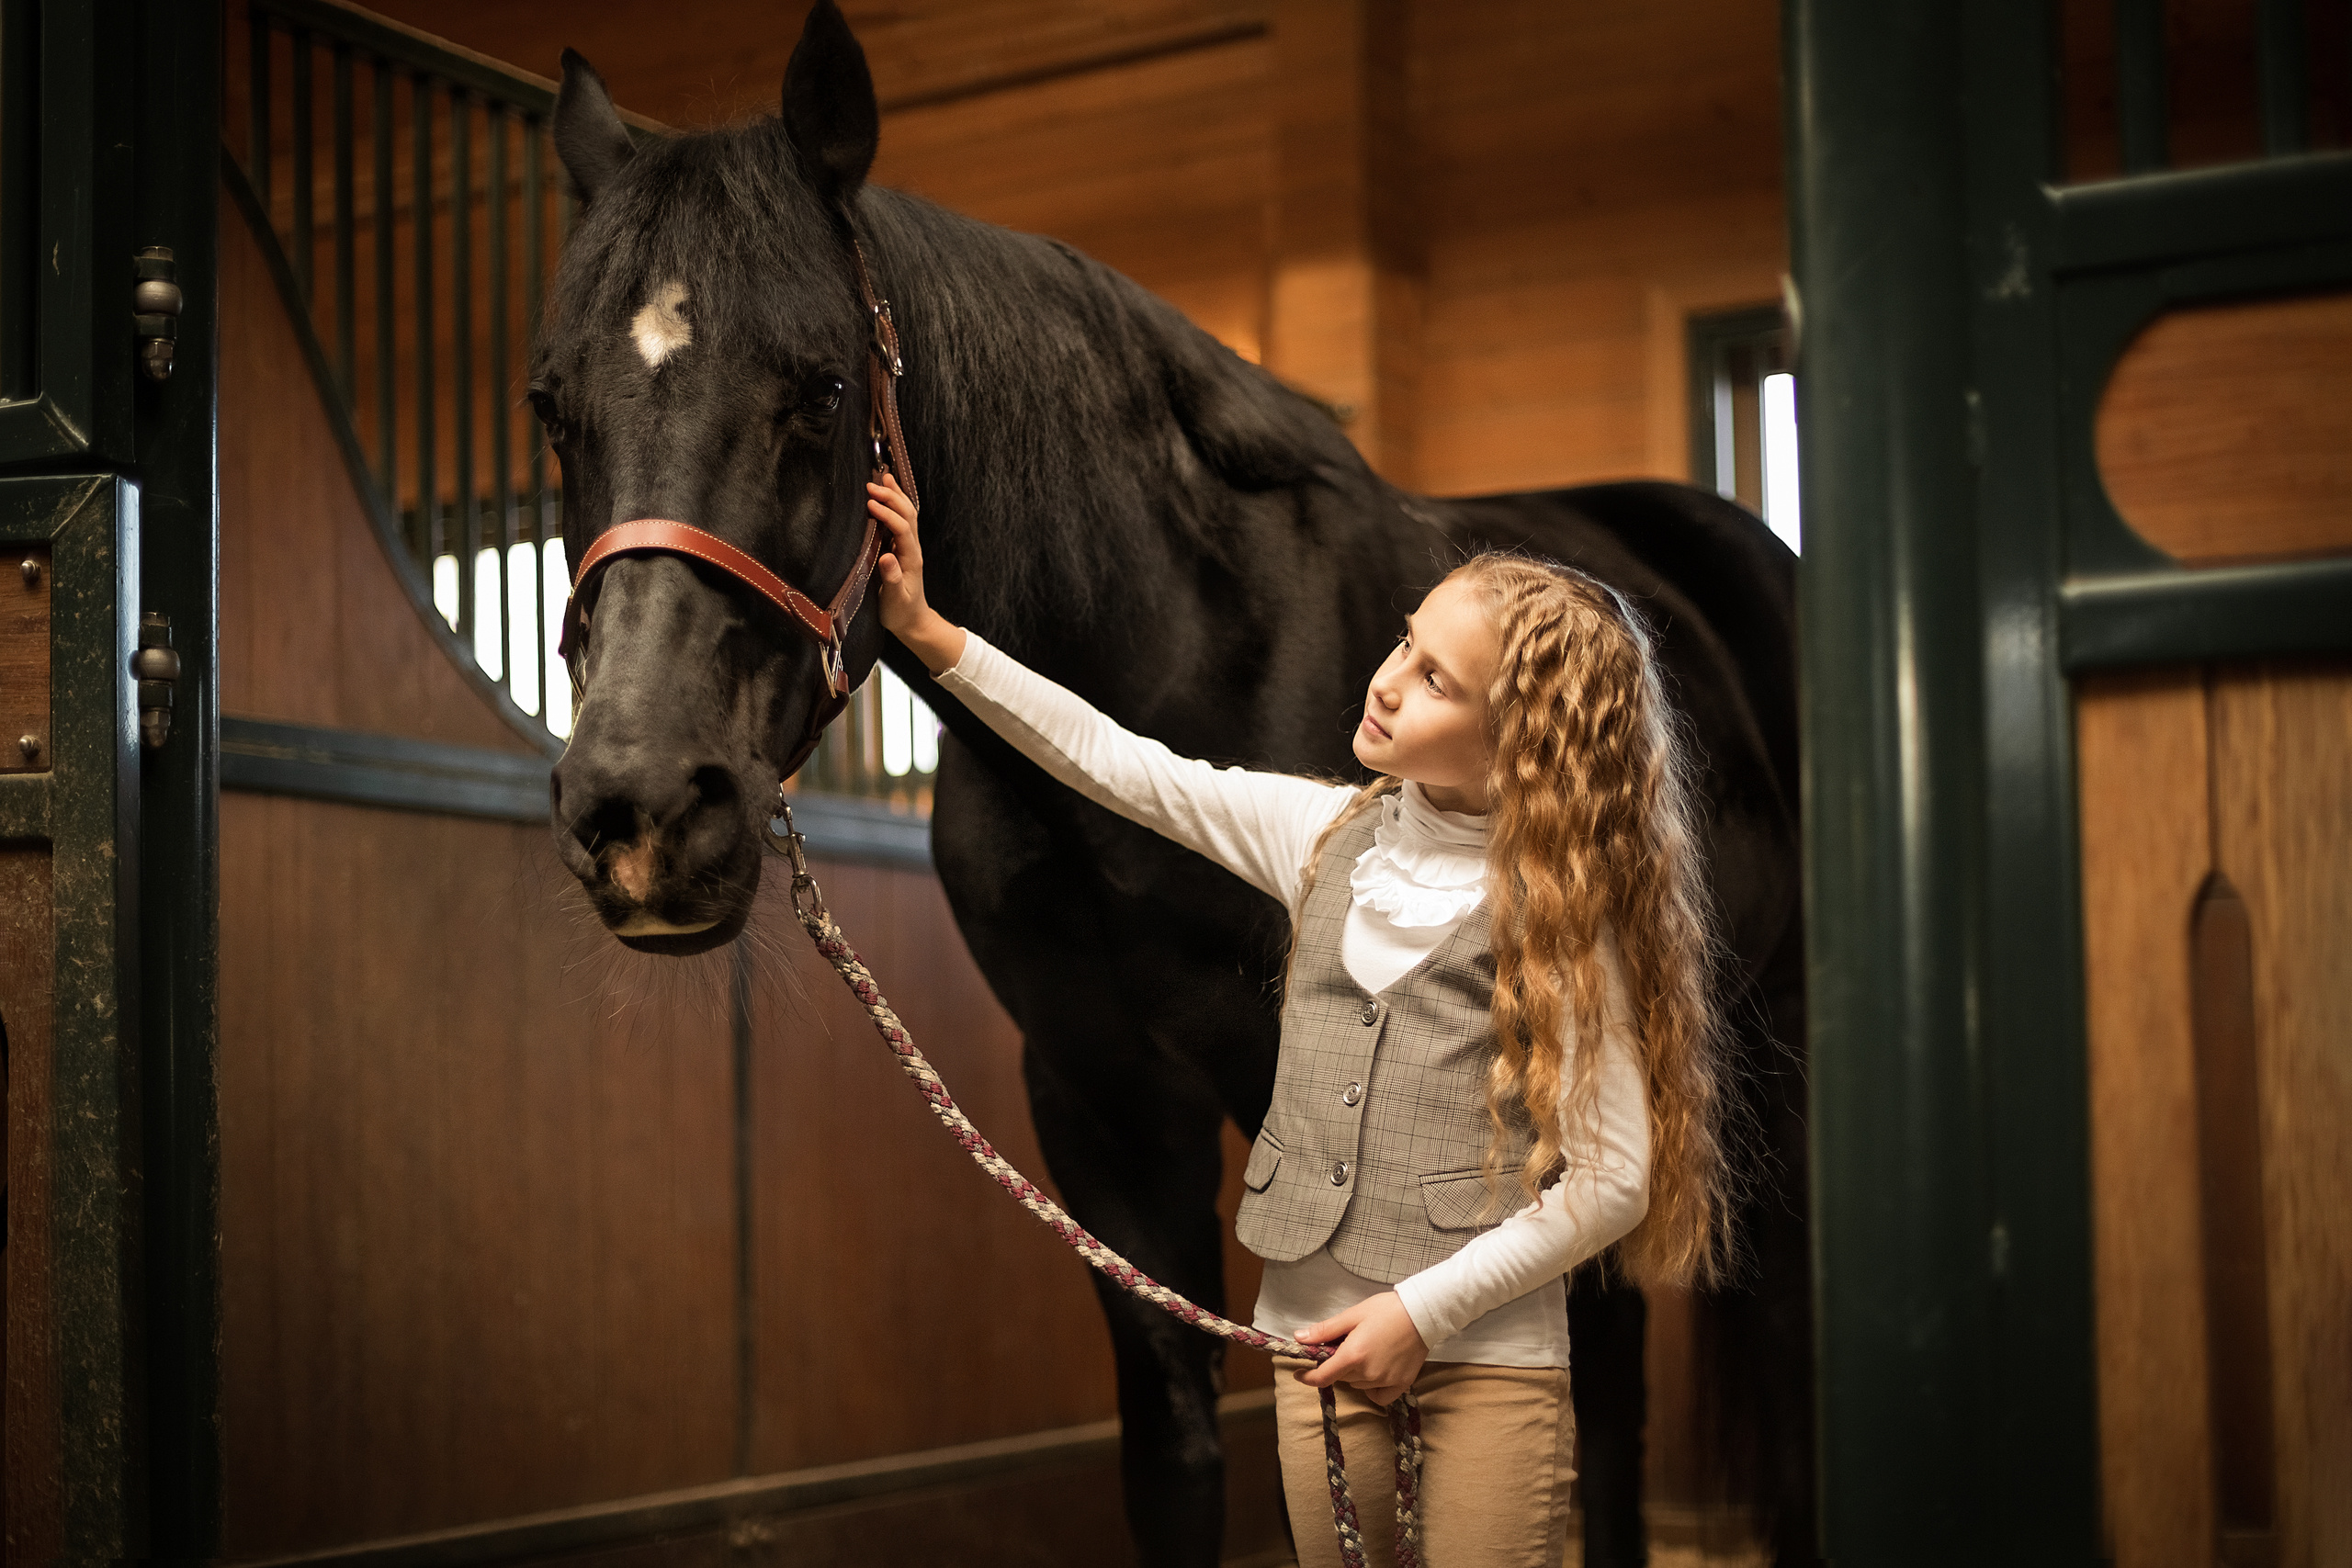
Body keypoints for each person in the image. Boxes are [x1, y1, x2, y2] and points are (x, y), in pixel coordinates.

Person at [865, 473, 1729, 1567]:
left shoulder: (1561, 915)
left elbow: (1612, 1181)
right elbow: (1120, 765)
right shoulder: (1318, 834)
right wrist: (932, 636)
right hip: (1311, 1349)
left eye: (1436, 682)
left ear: (1516, 746)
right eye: (1405, 645)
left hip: (1490, 1363)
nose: (1388, 683)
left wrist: (1419, 1315)